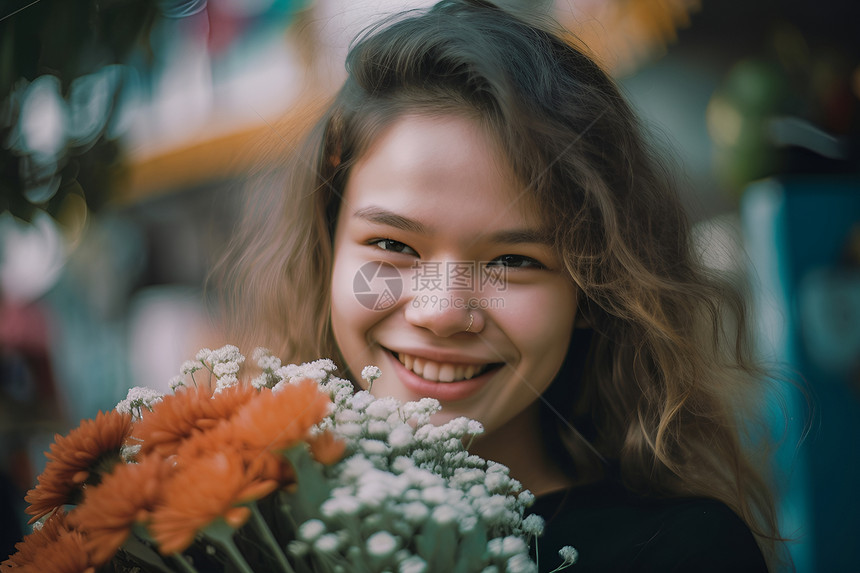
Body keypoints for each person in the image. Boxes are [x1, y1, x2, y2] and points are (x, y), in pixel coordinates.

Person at [215, 1, 784, 570]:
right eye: (393, 246)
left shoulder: (684, 554)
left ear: (595, 289)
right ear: (327, 251)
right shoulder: (234, 534)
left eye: (513, 260)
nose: (441, 312)